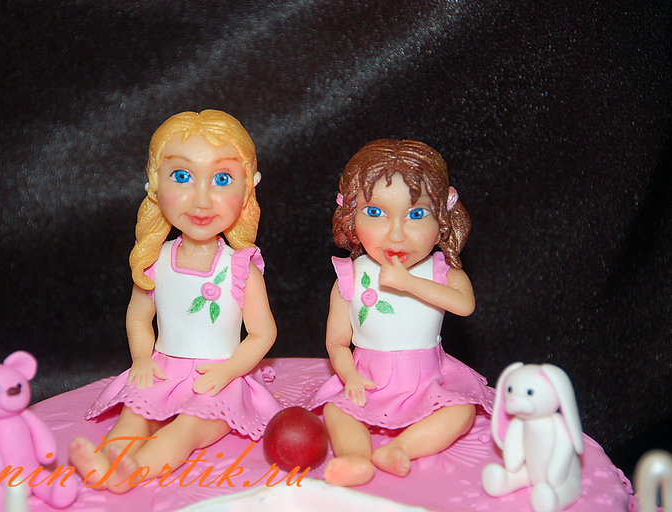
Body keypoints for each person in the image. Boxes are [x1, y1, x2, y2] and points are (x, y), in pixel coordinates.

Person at [68, 110, 280, 493]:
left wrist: (228, 372)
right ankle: (107, 461)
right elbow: (138, 318)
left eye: (221, 179)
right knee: (134, 415)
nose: (201, 200)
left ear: (249, 186)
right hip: (163, 372)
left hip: (217, 380)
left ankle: (132, 471)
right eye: (182, 176)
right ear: (154, 182)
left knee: (186, 429)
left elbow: (263, 333)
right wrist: (142, 359)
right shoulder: (154, 261)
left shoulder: (240, 268)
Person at [310, 139, 493, 487]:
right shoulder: (351, 275)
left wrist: (409, 283)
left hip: (428, 377)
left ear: (442, 220)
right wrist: (350, 376)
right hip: (369, 377)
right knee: (337, 410)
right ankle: (354, 457)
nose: (396, 235)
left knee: (462, 412)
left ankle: (401, 450)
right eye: (375, 213)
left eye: (416, 215)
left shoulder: (441, 272)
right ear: (351, 219)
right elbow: (336, 341)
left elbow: (464, 305)